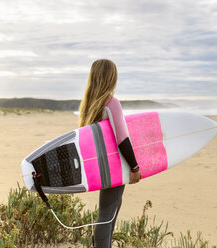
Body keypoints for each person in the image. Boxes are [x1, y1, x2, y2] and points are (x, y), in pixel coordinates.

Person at [79, 59, 142, 247]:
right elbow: (122, 138)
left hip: (98, 165)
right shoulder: (111, 102)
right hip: (113, 166)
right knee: (107, 212)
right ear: (111, 77)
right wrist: (134, 166)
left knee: (111, 207)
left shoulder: (89, 104)